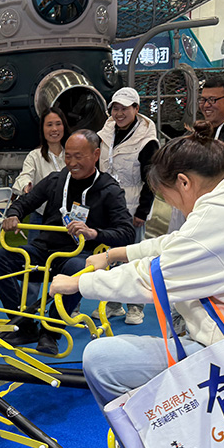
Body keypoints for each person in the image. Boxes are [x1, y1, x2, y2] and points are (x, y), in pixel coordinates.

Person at [49, 121, 224, 408]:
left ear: (184, 182)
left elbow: (152, 278)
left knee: (101, 359)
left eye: (168, 198)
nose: (175, 207)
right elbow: (179, 242)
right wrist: (116, 254)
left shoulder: (218, 218)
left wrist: (78, 282)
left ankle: (153, 432)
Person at [0, 130, 135, 355]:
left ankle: (51, 330)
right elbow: (25, 202)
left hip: (80, 255)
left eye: (78, 156)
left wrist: (94, 233)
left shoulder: (109, 189)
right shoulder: (57, 179)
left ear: (96, 155)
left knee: (77, 267)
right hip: (43, 252)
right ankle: (23, 324)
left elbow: (127, 233)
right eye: (68, 156)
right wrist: (14, 214)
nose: (71, 163)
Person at [97, 87, 160, 325]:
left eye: (124, 108)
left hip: (133, 206)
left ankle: (136, 306)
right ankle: (113, 304)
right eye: (115, 108)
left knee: (134, 258)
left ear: (136, 109)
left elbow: (151, 179)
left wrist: (142, 211)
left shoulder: (147, 141)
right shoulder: (105, 133)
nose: (119, 113)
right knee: (109, 256)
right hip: (107, 206)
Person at [12, 106, 70, 238]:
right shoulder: (35, 156)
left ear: (64, 126)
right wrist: (26, 186)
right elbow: (24, 175)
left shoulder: (72, 154)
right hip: (41, 218)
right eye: (49, 125)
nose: (54, 129)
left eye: (58, 124)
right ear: (42, 129)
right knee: (35, 251)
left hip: (70, 220)